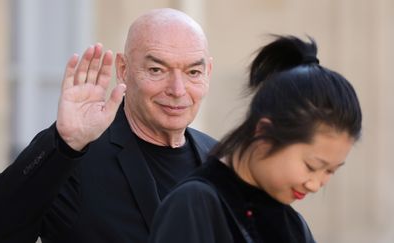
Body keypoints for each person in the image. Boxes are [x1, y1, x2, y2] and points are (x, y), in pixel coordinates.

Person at [0, 8, 216, 243]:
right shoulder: (72, 157)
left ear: (208, 72)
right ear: (123, 69)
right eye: (157, 69)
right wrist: (65, 144)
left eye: (193, 72)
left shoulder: (223, 161)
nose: (177, 90)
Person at [149, 35, 362, 243]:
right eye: (312, 165)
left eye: (330, 171)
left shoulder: (292, 223)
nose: (315, 185)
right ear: (264, 133)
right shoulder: (195, 204)